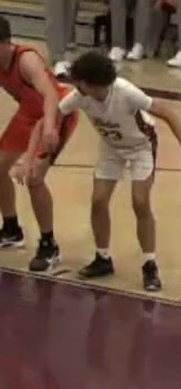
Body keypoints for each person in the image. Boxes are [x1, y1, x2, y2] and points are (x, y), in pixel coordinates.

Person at [14, 51, 181, 291]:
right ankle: (103, 258)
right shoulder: (80, 96)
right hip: (111, 148)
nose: (75, 84)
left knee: (140, 201)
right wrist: (28, 158)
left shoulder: (125, 92)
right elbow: (44, 121)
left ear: (91, 82)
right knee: (98, 201)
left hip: (141, 146)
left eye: (79, 80)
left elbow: (168, 113)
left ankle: (149, 265)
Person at [0, 15, 78, 272]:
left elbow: (50, 94)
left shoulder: (27, 60)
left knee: (34, 178)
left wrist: (48, 127)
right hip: (28, 113)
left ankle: (48, 243)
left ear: (6, 43)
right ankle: (11, 230)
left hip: (57, 112)